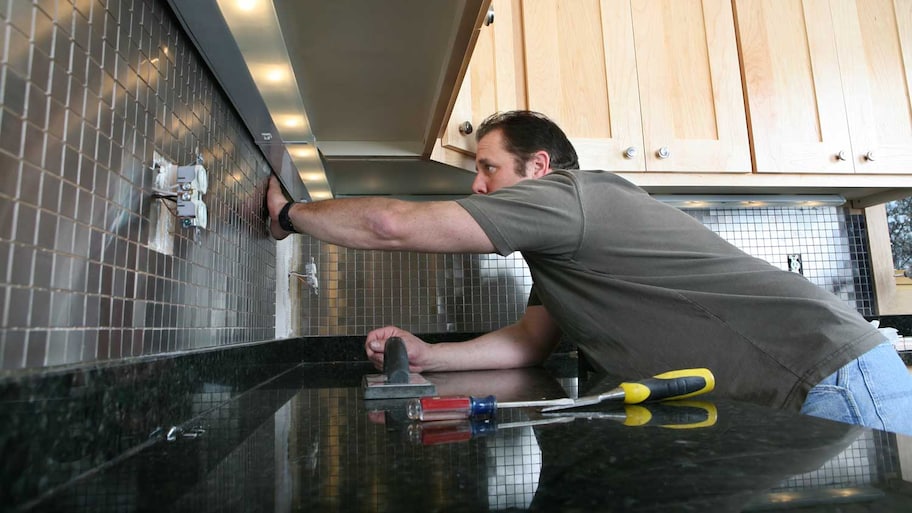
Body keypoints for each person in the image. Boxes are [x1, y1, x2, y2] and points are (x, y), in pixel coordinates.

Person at [267, 110, 912, 435]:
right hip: (822, 382)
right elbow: (529, 341)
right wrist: (430, 356)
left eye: (488, 167)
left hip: (831, 375)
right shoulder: (560, 250)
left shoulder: (572, 199)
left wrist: (290, 213)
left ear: (539, 168)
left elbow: (392, 225)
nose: (476, 184)